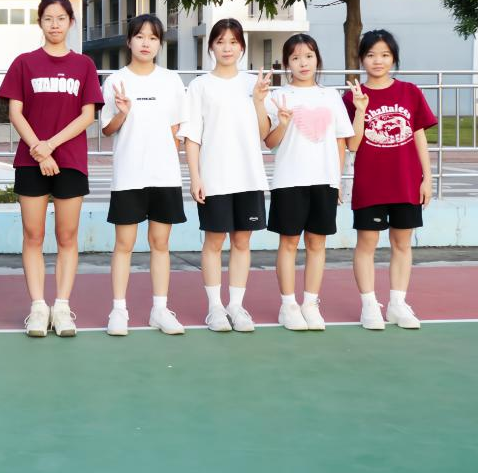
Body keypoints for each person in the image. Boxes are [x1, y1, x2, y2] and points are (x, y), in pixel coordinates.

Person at [0, 0, 102, 338]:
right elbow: (15, 112)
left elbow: (87, 115)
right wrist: (39, 152)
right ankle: (38, 308)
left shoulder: (84, 65)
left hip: (69, 160)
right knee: (33, 235)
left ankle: (62, 306)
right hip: (31, 161)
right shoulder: (24, 63)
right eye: (48, 19)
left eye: (61, 19)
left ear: (71, 22)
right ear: (39, 23)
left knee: (67, 236)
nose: (54, 25)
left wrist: (50, 146)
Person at [179, 18, 270, 333]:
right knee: (214, 241)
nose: (227, 47)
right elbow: (192, 137)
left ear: (242, 47)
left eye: (233, 41)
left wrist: (259, 100)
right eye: (220, 41)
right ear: (211, 47)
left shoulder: (253, 84)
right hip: (214, 177)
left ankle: (236, 306)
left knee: (242, 241)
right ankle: (215, 308)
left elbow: (265, 133)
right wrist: (195, 177)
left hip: (248, 176)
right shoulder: (200, 86)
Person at [343, 29, 436, 330]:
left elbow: (419, 136)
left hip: (406, 181)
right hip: (370, 183)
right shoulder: (352, 96)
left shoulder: (410, 92)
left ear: (393, 58)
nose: (378, 60)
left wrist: (427, 177)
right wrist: (360, 109)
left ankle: (397, 303)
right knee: (367, 243)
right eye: (371, 55)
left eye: (384, 54)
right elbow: (352, 145)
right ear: (361, 58)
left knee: (402, 242)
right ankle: (369, 305)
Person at [100, 15, 187, 337]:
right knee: (124, 244)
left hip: (164, 176)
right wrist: (122, 113)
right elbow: (107, 129)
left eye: (152, 37)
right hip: (129, 175)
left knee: (160, 243)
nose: (146, 43)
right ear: (129, 41)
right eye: (140, 36)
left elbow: (176, 130)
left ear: (160, 43)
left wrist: (165, 159)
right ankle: (118, 310)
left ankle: (159, 310)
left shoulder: (171, 81)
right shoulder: (115, 81)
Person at [263, 34, 353, 331]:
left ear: (317, 59)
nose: (303, 63)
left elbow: (341, 141)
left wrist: (336, 181)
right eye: (296, 58)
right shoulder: (278, 96)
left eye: (309, 56)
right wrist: (283, 123)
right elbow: (269, 142)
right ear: (287, 63)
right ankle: (288, 305)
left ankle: (310, 304)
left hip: (324, 180)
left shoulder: (331, 96)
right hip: (289, 180)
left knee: (317, 243)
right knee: (288, 242)